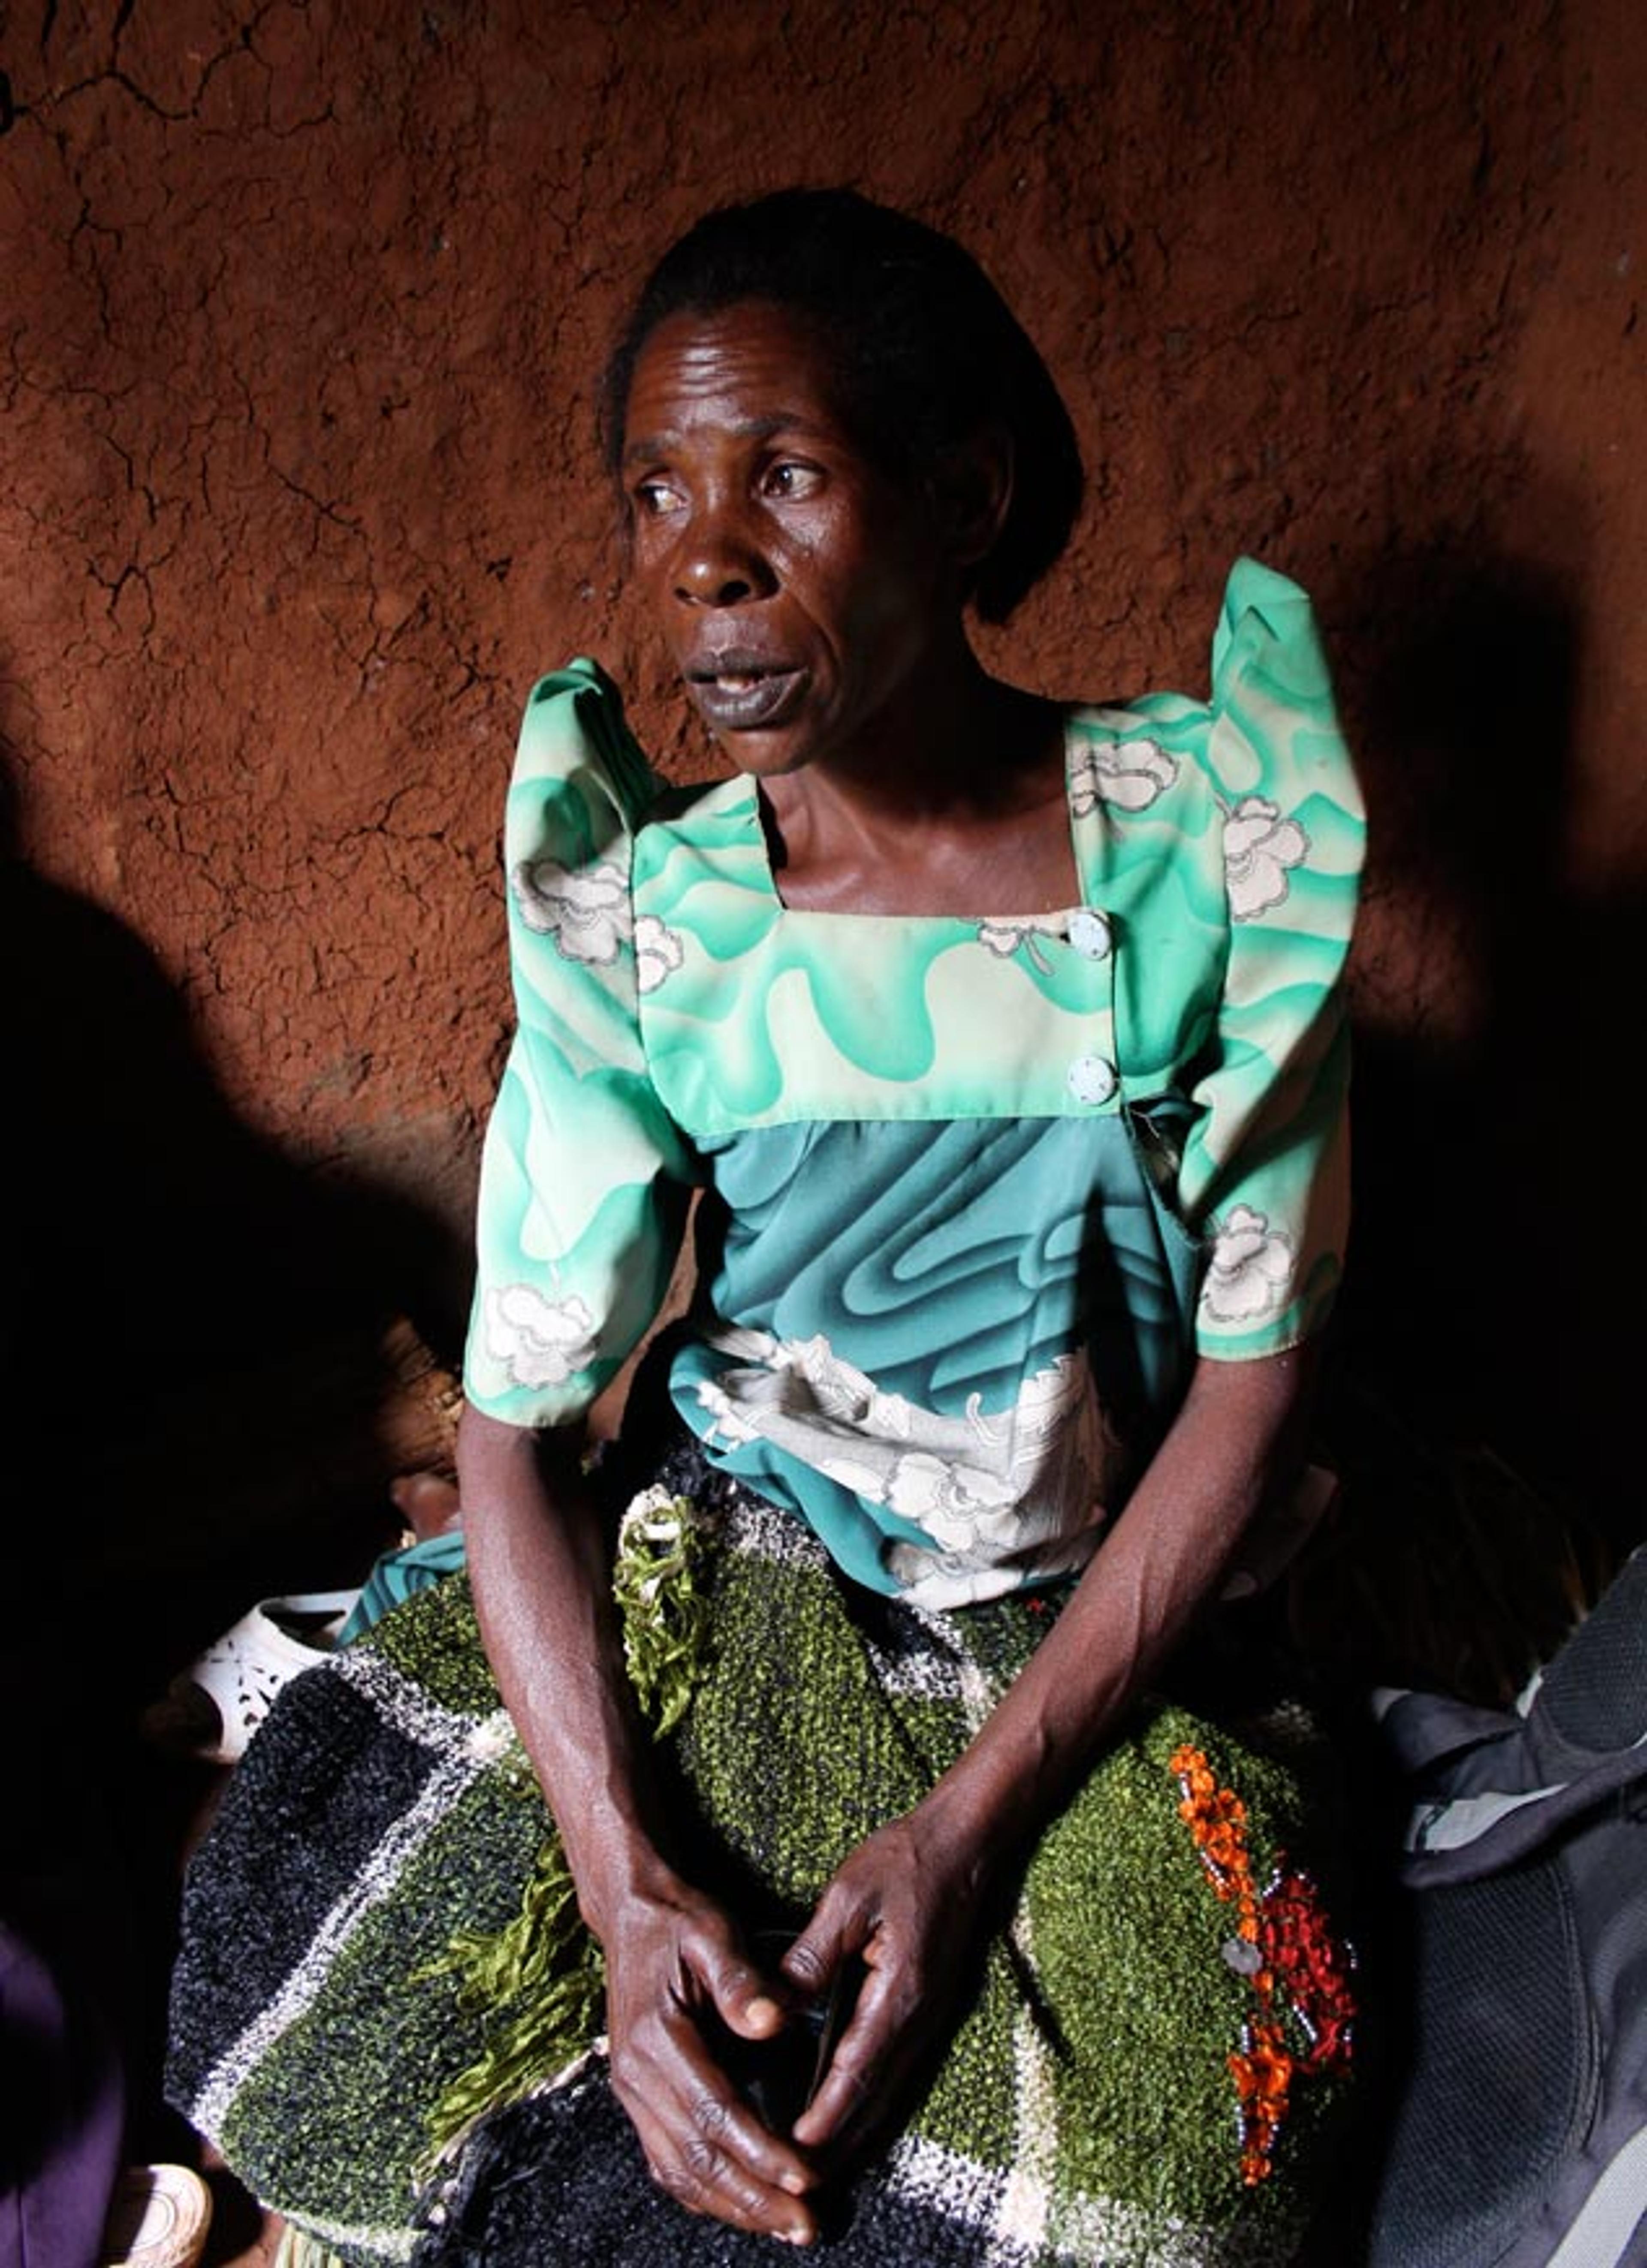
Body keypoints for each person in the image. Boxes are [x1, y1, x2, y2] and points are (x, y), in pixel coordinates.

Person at [168, 190, 1365, 2268]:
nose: (703, 558)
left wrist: (969, 1834)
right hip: (746, 1566)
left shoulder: (1215, 855)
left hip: (1069, 1612)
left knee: (1159, 2188)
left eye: (785, 476)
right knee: (286, 2025)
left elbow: (1255, 1378)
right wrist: (627, 1885)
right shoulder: (649, 915)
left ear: (963, 499)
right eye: (656, 489)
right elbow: (520, 1434)